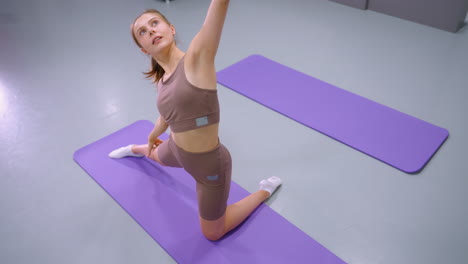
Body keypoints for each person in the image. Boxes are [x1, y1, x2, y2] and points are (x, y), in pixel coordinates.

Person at [109, 2, 282, 241]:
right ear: (143, 49)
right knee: (156, 154)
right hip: (176, 149)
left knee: (213, 232)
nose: (150, 31)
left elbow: (218, 8)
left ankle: (264, 190)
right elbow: (167, 115)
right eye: (142, 31)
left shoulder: (197, 60)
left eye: (154, 23)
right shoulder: (162, 80)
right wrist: (151, 135)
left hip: (209, 166)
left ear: (171, 29)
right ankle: (136, 149)